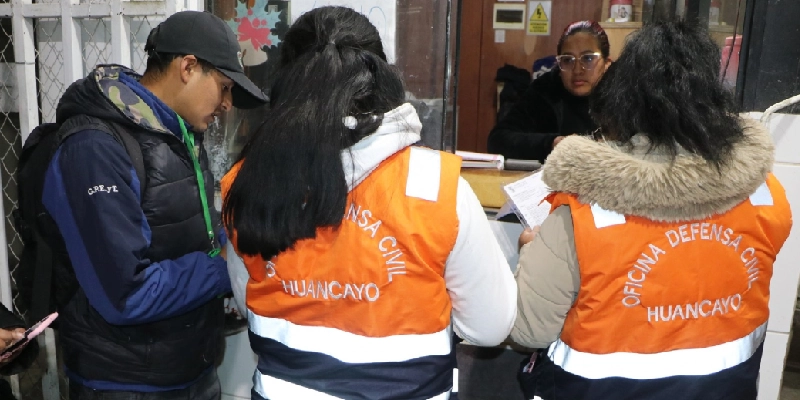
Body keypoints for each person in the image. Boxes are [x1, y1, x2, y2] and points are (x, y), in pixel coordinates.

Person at [221, 6, 517, 400]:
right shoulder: (436, 186)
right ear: (381, 74)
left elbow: (247, 299)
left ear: (287, 79)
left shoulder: (247, 180)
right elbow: (490, 326)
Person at [511, 20, 792, 400]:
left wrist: (531, 247)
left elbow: (528, 331)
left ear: (619, 101)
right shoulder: (765, 193)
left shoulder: (581, 212)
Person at [40, 11, 267, 400]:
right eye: (224, 87)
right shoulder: (96, 147)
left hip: (190, 368)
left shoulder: (175, 133)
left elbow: (183, 234)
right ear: (188, 67)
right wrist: (229, 266)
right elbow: (125, 295)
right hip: (125, 384)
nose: (228, 105)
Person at [487, 21, 611, 162]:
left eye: (588, 58)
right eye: (567, 60)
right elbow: (497, 140)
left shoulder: (624, 93)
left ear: (607, 63)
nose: (577, 70)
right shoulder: (546, 89)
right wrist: (553, 143)